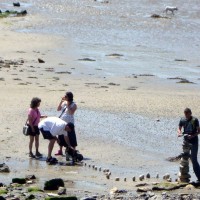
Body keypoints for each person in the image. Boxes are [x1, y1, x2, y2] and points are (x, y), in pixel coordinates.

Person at [178, 108, 200, 181]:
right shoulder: (182, 119)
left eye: (187, 114)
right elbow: (179, 128)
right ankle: (183, 177)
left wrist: (193, 135)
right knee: (184, 158)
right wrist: (179, 132)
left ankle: (199, 177)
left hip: (194, 141)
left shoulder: (195, 120)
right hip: (186, 141)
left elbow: (199, 131)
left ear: (190, 113)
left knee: (194, 159)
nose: (186, 115)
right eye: (185, 114)